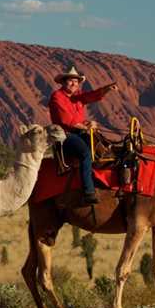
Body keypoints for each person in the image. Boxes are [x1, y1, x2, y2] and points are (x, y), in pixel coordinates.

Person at [48, 65, 118, 204]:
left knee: (104, 147)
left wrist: (107, 89)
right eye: (71, 81)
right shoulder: (57, 97)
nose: (74, 83)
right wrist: (87, 127)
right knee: (85, 153)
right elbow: (67, 121)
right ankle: (88, 192)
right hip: (64, 135)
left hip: (79, 132)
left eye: (76, 81)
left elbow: (92, 95)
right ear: (63, 82)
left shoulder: (78, 96)